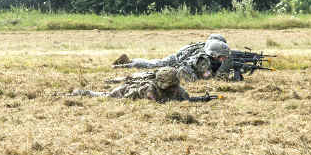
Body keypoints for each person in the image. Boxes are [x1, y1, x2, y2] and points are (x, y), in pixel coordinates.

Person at [114, 34, 231, 81]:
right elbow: (207, 75)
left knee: (155, 63)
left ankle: (131, 61)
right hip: (177, 61)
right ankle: (128, 64)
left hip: (178, 59)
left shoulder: (204, 46)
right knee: (154, 65)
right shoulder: (203, 54)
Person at [70, 67, 210, 102]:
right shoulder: (151, 90)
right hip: (125, 92)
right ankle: (81, 92)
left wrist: (202, 98)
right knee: (105, 96)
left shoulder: (177, 89)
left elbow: (185, 98)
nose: (174, 87)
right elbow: (158, 102)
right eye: (170, 85)